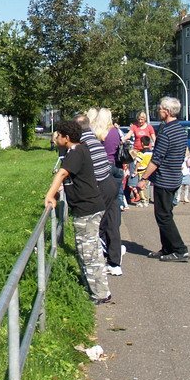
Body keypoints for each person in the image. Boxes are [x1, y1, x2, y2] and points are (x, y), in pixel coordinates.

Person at [43, 120, 112, 304]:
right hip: (89, 208)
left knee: (88, 252)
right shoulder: (78, 151)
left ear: (66, 138)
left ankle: (100, 294)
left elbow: (63, 174)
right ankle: (99, 290)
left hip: (87, 209)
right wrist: (59, 192)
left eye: (58, 135)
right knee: (91, 250)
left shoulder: (75, 152)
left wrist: (49, 194)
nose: (56, 138)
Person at [142, 96, 190, 262]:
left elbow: (156, 159)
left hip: (165, 179)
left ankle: (179, 249)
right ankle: (167, 248)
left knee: (163, 216)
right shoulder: (180, 129)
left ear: (167, 111)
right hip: (175, 177)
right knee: (165, 214)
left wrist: (144, 178)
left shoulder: (166, 132)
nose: (158, 110)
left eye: (160, 108)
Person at [85, 109, 124, 275]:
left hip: (101, 173)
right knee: (113, 213)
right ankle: (114, 257)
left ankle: (101, 252)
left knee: (99, 217)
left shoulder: (97, 135)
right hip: (115, 171)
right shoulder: (115, 132)